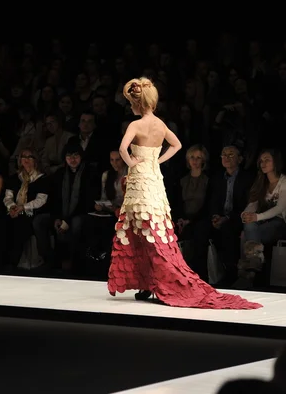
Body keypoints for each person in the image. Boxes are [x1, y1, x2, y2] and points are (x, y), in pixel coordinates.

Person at [107, 77, 261, 309]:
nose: (131, 107)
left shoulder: (135, 125)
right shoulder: (160, 125)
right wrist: (156, 161)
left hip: (140, 182)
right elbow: (177, 145)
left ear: (138, 104)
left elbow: (121, 148)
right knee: (154, 231)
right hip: (154, 182)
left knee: (142, 231)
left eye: (131, 103)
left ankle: (154, 282)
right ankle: (150, 282)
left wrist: (132, 162)